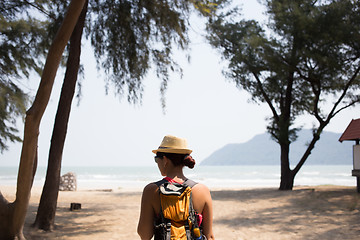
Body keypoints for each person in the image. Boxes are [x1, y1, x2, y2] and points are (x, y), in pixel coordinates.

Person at [137, 135, 215, 240]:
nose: (157, 163)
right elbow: (209, 236)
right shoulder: (202, 190)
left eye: (156, 159)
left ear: (165, 160)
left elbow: (145, 235)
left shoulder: (151, 190)